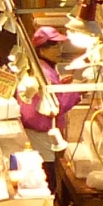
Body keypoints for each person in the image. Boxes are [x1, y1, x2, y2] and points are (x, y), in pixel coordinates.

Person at [20, 26, 82, 185]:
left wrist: (61, 85)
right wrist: (78, 92)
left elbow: (48, 95)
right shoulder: (44, 73)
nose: (59, 50)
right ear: (42, 49)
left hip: (36, 131)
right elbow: (55, 106)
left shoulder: (41, 67)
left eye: (59, 45)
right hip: (41, 134)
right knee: (48, 179)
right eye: (54, 45)